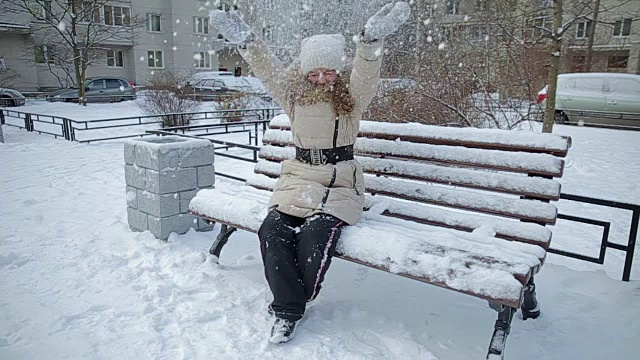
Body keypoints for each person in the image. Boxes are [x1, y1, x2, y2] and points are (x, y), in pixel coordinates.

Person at [210, 2, 411, 344]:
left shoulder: (353, 98)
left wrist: (370, 41)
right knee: (272, 230)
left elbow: (366, 70)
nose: (321, 78)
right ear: (305, 73)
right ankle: (292, 306)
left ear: (338, 71)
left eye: (329, 72)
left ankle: (289, 308)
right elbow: (268, 69)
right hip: (299, 179)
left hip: (339, 183)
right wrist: (247, 41)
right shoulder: (293, 97)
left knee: (315, 235)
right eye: (314, 72)